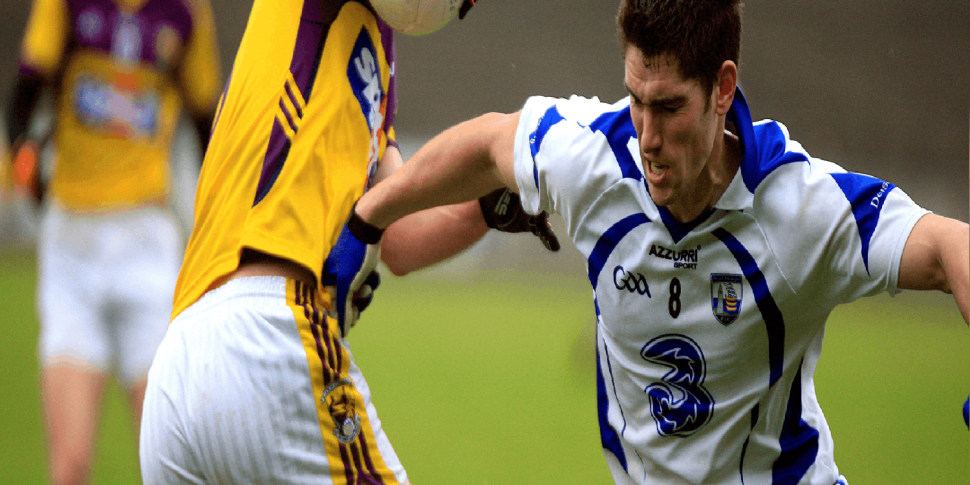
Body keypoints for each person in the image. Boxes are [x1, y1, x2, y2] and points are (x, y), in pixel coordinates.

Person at [331, 1, 970, 483]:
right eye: (635, 99)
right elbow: (489, 142)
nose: (647, 136)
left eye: (668, 107)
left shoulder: (801, 206)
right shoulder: (593, 157)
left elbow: (951, 246)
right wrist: (366, 221)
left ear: (723, 89)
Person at [138, 0, 557, 483]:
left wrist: (485, 207)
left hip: (180, 369)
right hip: (268, 335)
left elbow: (397, 235)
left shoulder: (376, 57)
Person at [3, 0, 223, 483]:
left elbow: (208, 127)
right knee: (70, 468)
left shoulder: (186, 13)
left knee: (169, 462)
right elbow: (22, 98)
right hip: (71, 247)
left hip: (148, 244)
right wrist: (24, 159)